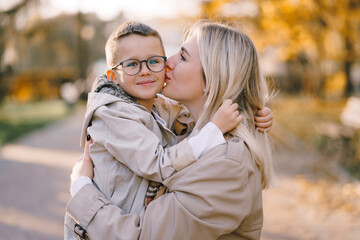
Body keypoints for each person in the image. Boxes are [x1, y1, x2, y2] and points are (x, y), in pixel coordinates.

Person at [66, 20, 275, 240]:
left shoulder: (227, 164)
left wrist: (81, 189)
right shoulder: (192, 130)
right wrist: (251, 117)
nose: (169, 62)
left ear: (213, 78)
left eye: (183, 56)